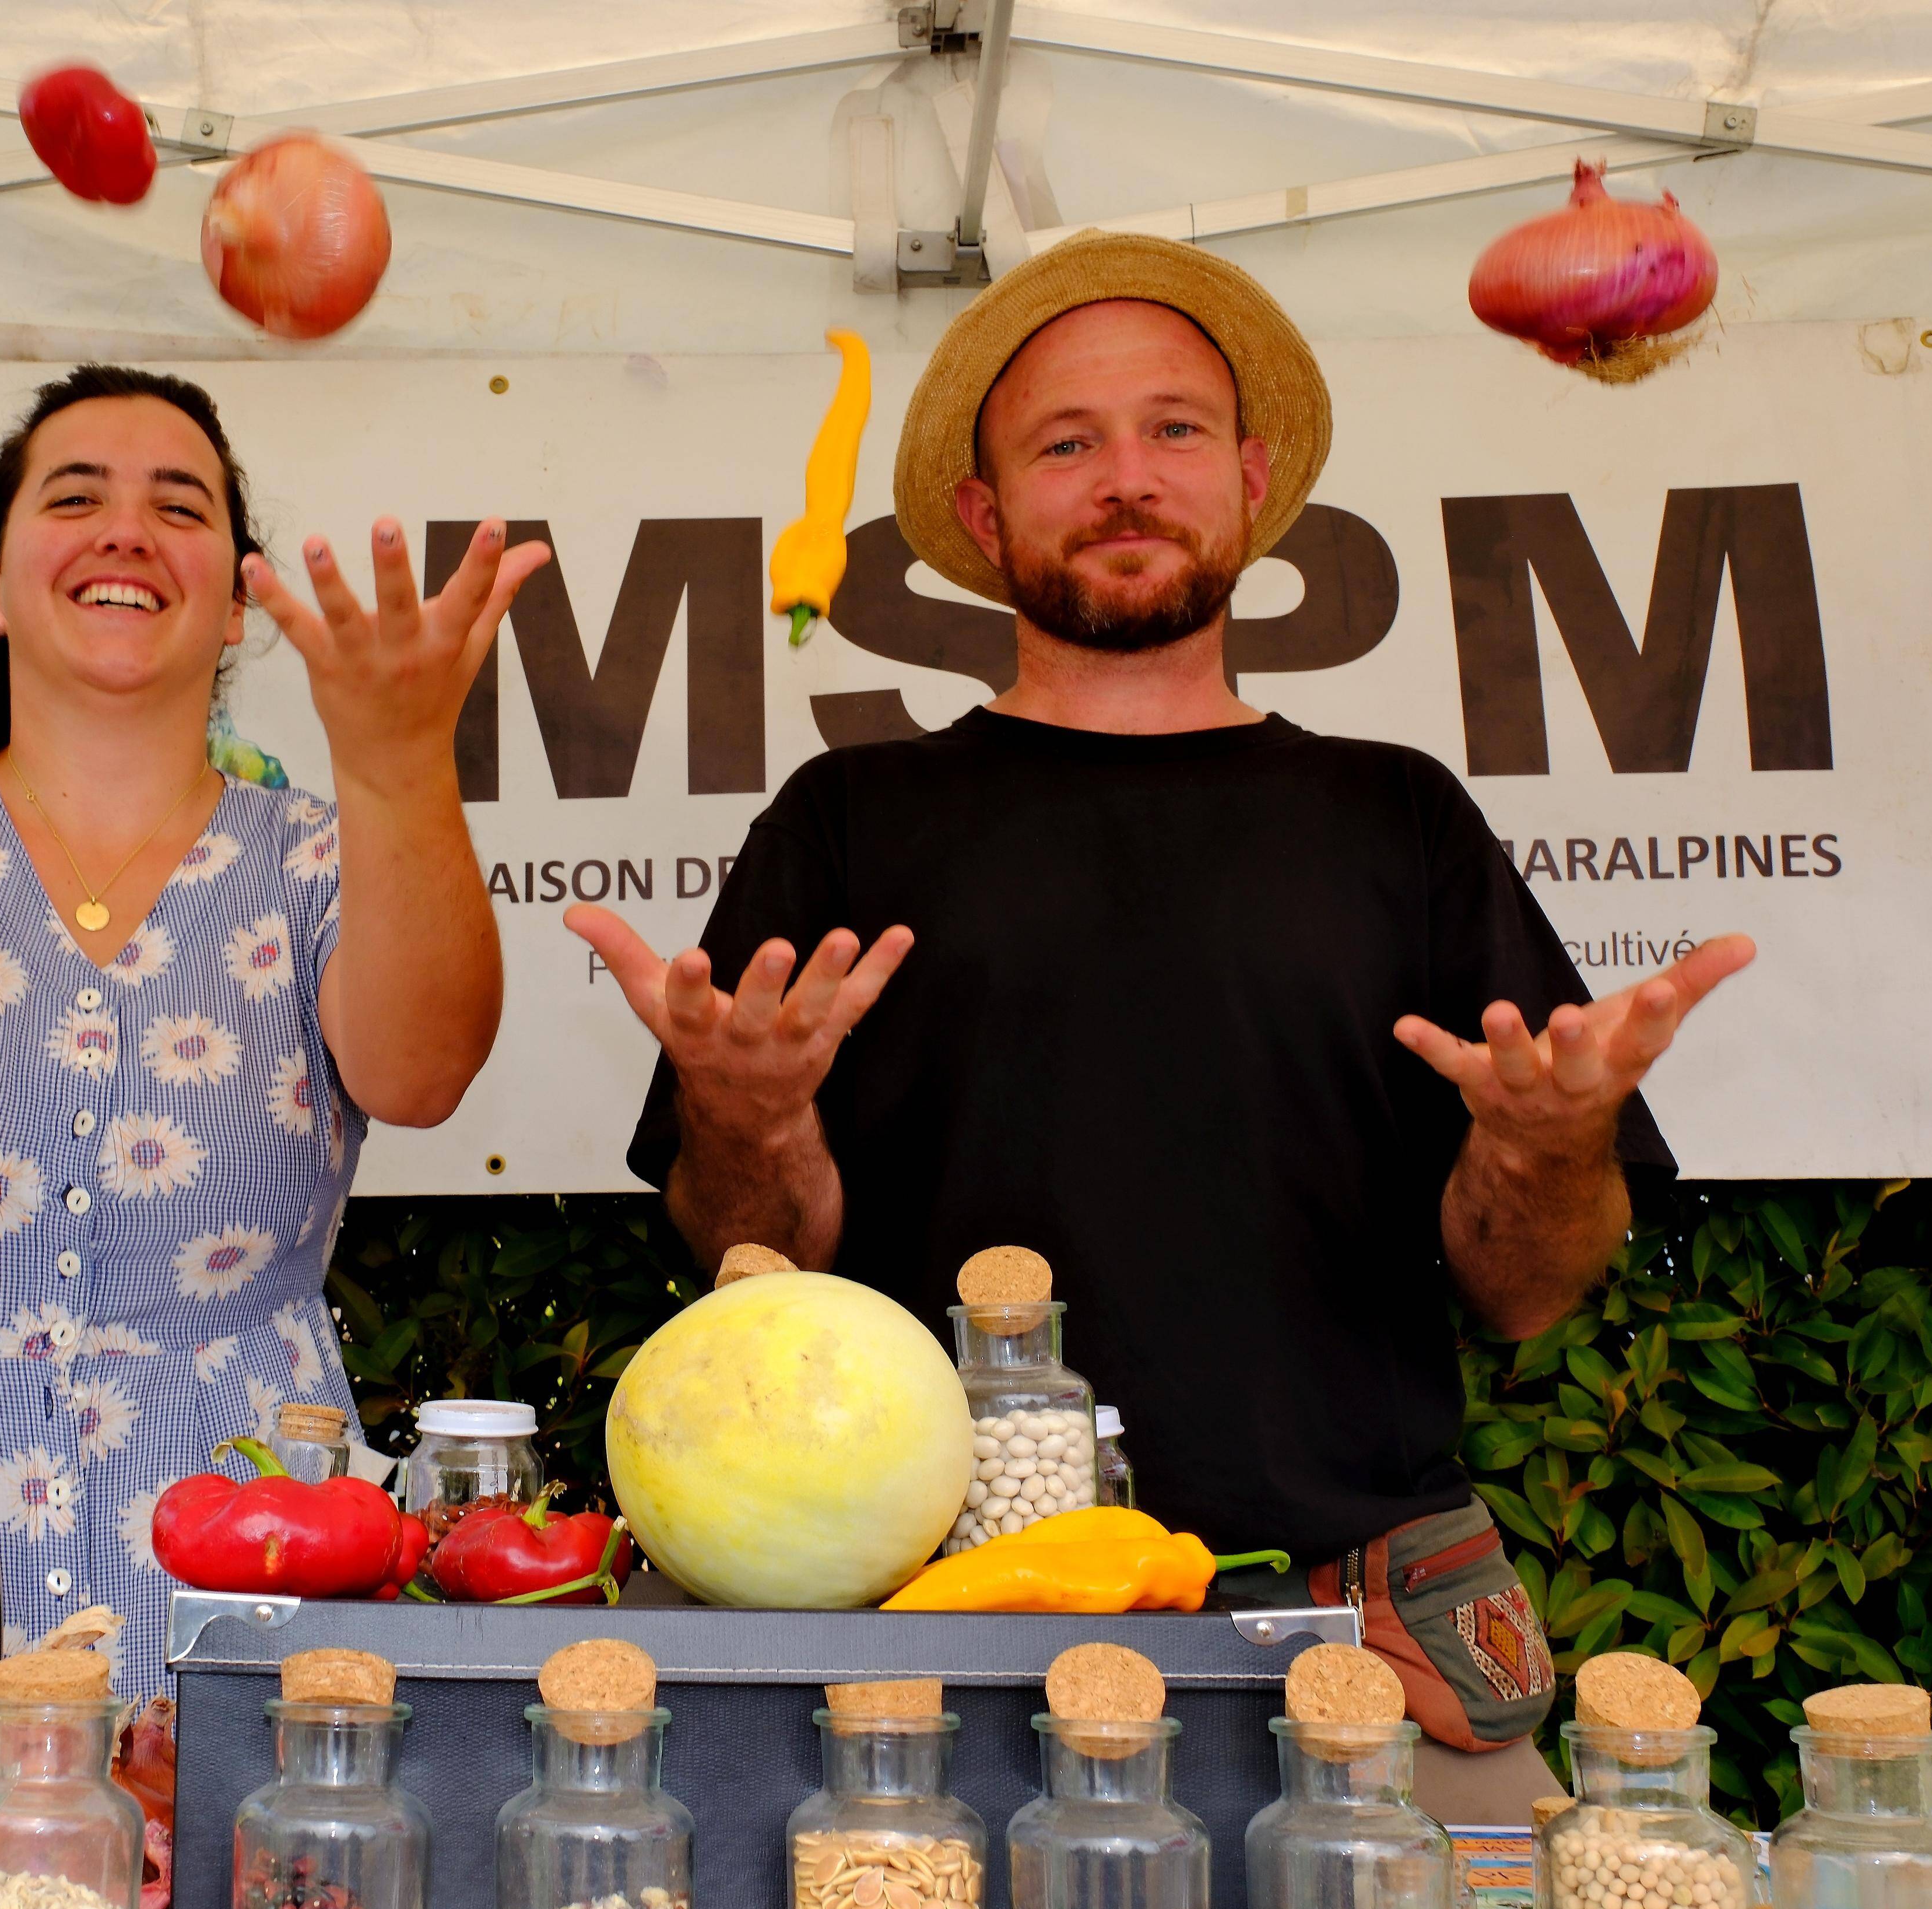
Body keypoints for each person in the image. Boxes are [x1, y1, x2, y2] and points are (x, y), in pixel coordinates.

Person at [568, 237, 1753, 1815]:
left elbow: (1524, 1292)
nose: (1127, 477)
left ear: (1253, 483)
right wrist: (751, 1118)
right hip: (925, 1652)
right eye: (1067, 443)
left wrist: (1553, 1145)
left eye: (1175, 430)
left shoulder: (1398, 817)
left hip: (1360, 1642)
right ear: (985, 520)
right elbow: (744, 1257)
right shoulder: (847, 821)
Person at [0, 364, 543, 1710]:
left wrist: (401, 762)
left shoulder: (312, 858)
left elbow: (421, 1074)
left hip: (236, 1547)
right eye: (78, 497)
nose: (126, 531)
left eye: (178, 507)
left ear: (238, 600)